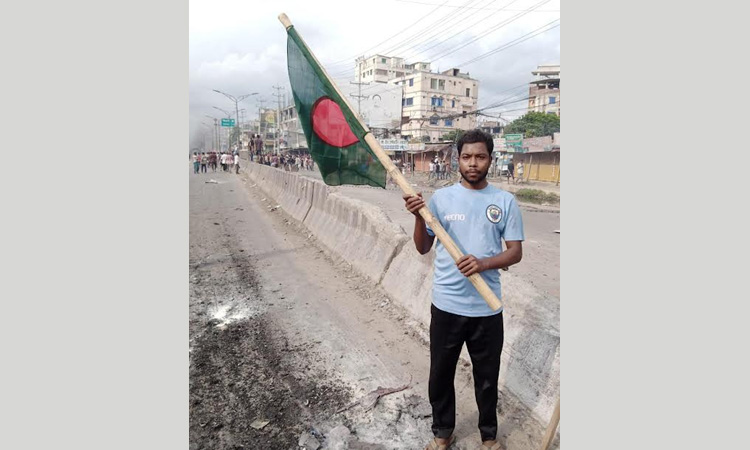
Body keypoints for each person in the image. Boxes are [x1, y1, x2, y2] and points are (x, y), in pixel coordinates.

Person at [402, 129, 524, 450]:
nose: (473, 163)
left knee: (487, 378)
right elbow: (422, 247)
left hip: (487, 309)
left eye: (480, 157)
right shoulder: (441, 199)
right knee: (440, 375)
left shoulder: (504, 202)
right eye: (467, 157)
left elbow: (515, 252)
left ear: (490, 160)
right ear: (458, 160)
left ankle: (489, 436)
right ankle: (443, 433)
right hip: (446, 306)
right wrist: (418, 216)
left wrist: (483, 264)